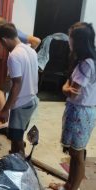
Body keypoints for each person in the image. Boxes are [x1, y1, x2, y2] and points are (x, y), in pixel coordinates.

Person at [49, 22, 96, 190]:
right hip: (82, 111)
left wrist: (64, 87)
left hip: (80, 112)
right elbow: (71, 86)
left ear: (79, 40)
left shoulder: (86, 64)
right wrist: (67, 85)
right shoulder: (87, 60)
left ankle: (72, 188)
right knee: (75, 153)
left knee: (78, 154)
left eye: (71, 37)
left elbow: (72, 91)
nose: (69, 40)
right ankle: (68, 185)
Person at [0, 23, 39, 156]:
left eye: (1, 44)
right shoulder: (31, 50)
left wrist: (5, 109)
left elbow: (16, 85)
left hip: (21, 104)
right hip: (32, 100)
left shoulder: (14, 56)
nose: (3, 47)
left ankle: (19, 166)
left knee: (16, 139)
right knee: (18, 134)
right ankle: (17, 155)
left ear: (4, 40)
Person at [0, 16, 41, 130]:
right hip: (30, 97)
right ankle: (6, 119)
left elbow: (37, 40)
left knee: (0, 89)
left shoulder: (15, 53)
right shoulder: (19, 41)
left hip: (21, 97)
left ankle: (4, 120)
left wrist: (22, 59)